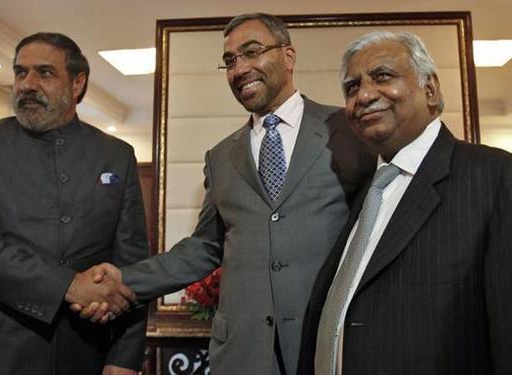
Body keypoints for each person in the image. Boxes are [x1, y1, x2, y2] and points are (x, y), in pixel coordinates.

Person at [77, 13, 374, 375]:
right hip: (243, 354)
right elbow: (205, 248)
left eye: (252, 52)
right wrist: (123, 280)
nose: (239, 69)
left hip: (328, 345)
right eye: (230, 60)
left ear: (288, 56)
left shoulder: (347, 129)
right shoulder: (220, 157)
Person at [0, 32, 148, 375]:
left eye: (44, 73)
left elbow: (132, 262)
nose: (27, 85)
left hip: (82, 355)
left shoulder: (116, 156)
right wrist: (67, 285)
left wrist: (124, 355)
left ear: (78, 83)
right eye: (21, 72)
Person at [297, 31, 512, 375]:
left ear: (430, 90)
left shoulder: (494, 176)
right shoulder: (367, 193)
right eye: (352, 87)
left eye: (382, 76)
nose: (364, 94)